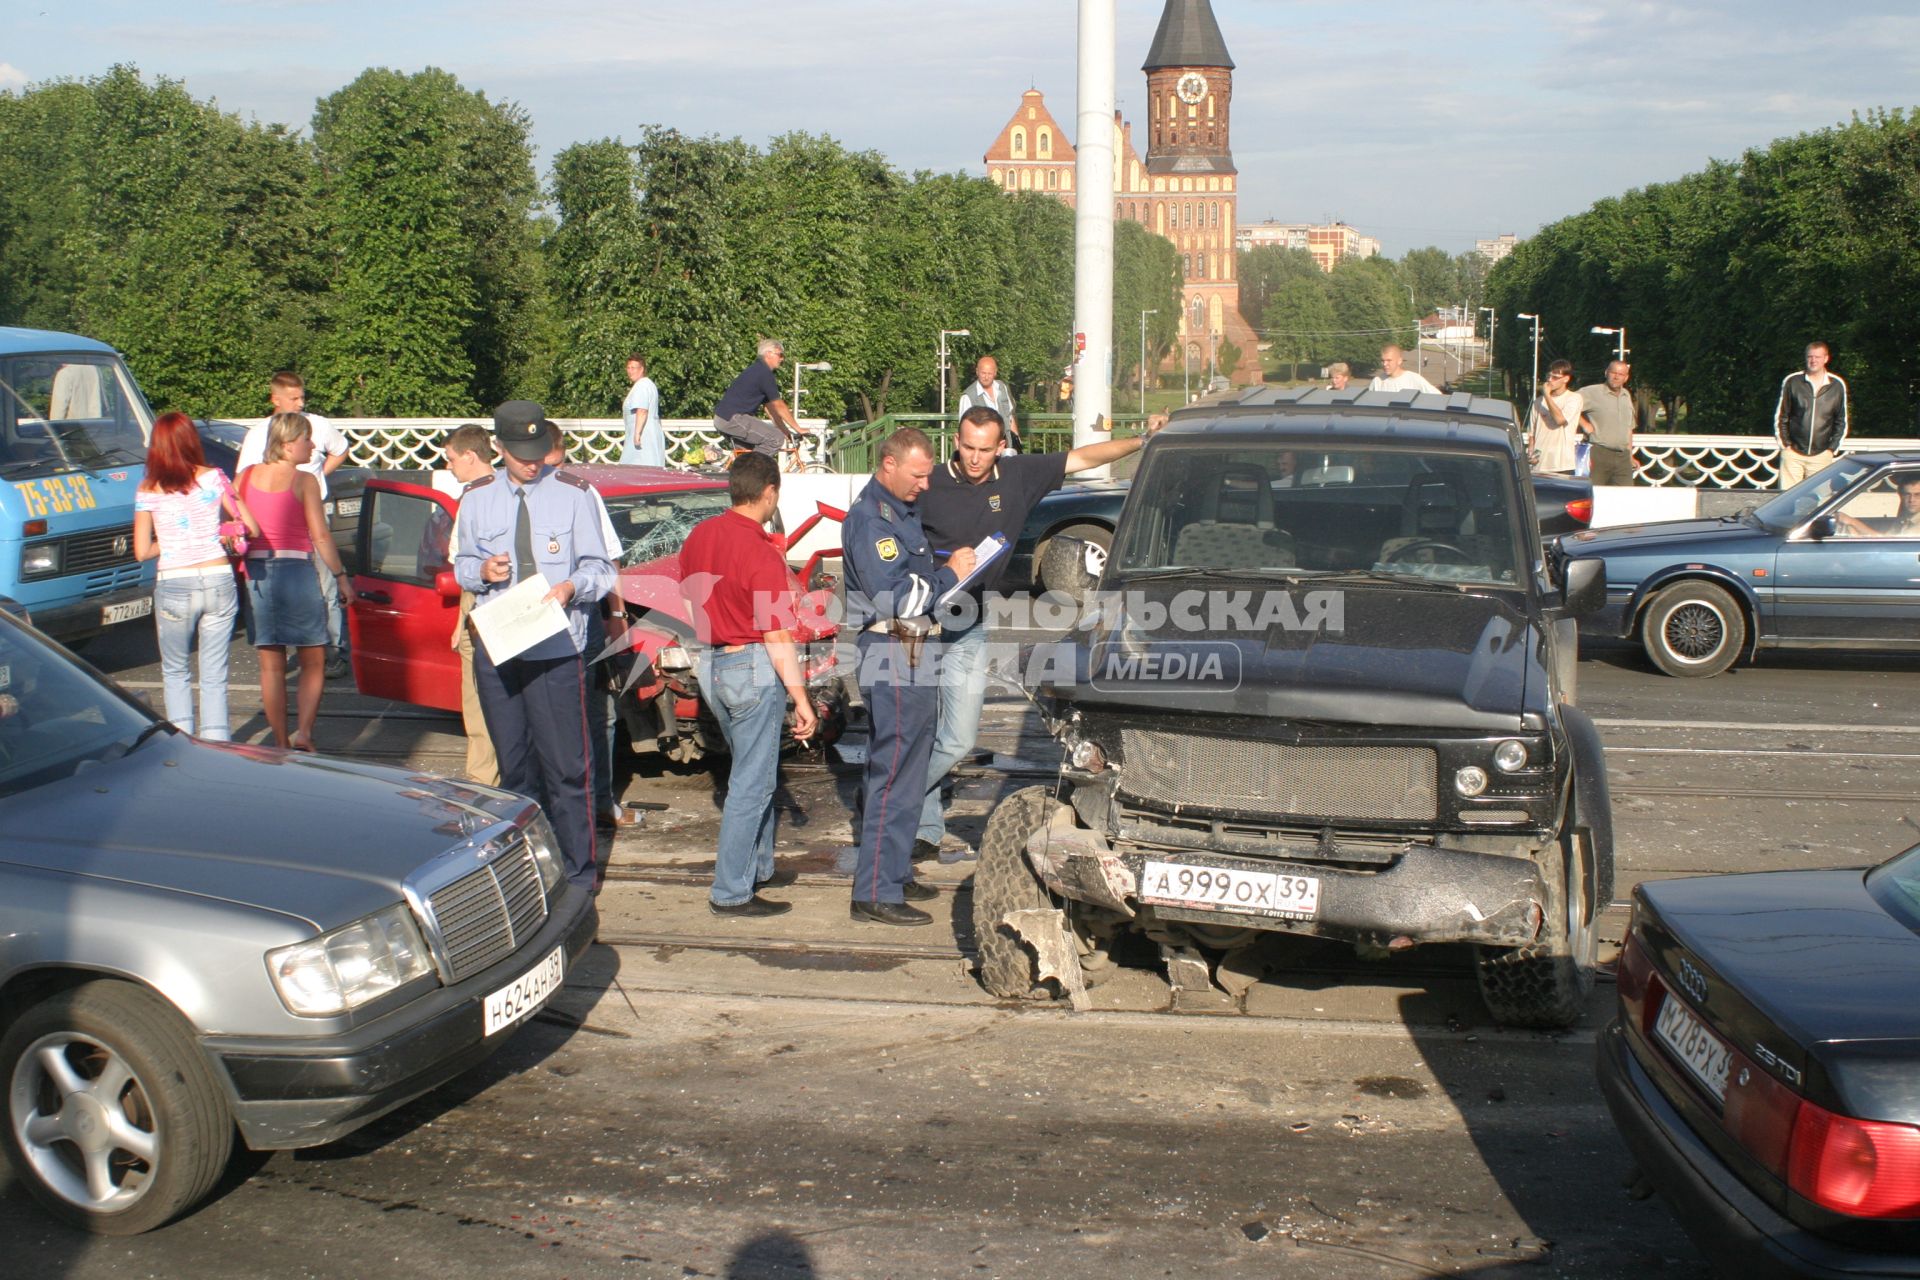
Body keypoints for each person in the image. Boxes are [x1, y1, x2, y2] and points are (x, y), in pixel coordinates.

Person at [914, 405, 1165, 861]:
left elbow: (1082, 458)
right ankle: (922, 827)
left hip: (966, 621)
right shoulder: (928, 483)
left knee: (956, 739)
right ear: (956, 441)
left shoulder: (1017, 475)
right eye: (967, 447)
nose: (974, 458)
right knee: (924, 731)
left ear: (1001, 447)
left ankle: (894, 798)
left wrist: (1140, 441)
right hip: (918, 621)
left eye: (984, 450)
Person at [454, 401, 614, 892]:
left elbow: (602, 570)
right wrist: (481, 572)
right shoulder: (477, 497)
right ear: (498, 448)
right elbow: (460, 563)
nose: (532, 461)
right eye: (521, 452)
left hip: (556, 646)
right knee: (514, 769)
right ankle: (527, 872)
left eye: (538, 450)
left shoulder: (574, 494)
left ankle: (578, 873)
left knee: (566, 767)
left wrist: (570, 587)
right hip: (499, 648)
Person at [840, 428, 977, 926]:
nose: (925, 484)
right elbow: (894, 597)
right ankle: (875, 890)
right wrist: (951, 573)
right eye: (918, 475)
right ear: (888, 464)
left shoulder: (899, 512)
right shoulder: (871, 521)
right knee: (894, 770)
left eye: (928, 474)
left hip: (915, 648)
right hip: (895, 647)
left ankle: (893, 871)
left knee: (913, 767)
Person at [679, 453, 818, 917]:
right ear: (770, 492)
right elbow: (776, 633)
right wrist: (802, 700)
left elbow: (690, 596)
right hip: (752, 665)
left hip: (711, 663)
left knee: (750, 772)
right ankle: (731, 890)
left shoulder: (699, 536)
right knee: (752, 785)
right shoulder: (761, 552)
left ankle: (758, 867)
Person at [132, 412, 259, 741]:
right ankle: (218, 745)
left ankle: (183, 744)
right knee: (215, 672)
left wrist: (172, 542)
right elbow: (252, 527)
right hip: (218, 577)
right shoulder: (216, 478)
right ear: (192, 441)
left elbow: (142, 551)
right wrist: (214, 533)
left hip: (175, 582)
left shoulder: (148, 489)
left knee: (175, 670)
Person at [238, 412, 355, 752]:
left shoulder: (244, 478)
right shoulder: (304, 481)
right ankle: (304, 733)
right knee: (313, 658)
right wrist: (341, 577)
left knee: (271, 666)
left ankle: (278, 740)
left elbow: (232, 520)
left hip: (257, 575)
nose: (313, 445)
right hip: (297, 571)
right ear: (289, 445)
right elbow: (320, 536)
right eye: (307, 439)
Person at [542, 425, 635, 830]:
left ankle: (597, 801)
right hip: (529, 627)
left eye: (558, 464)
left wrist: (616, 615)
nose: (551, 474)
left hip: (582, 622)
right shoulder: (499, 495)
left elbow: (609, 559)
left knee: (598, 716)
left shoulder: (581, 493)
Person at [238, 373, 353, 678]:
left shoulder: (317, 424)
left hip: (311, 507)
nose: (301, 403)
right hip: (274, 521)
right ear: (275, 399)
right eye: (294, 398)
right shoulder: (259, 433)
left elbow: (341, 448)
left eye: (302, 397)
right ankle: (295, 650)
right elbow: (242, 482)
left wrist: (320, 476)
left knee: (324, 586)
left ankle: (332, 651)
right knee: (287, 588)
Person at [438, 424, 501, 785]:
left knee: (478, 707)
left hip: (480, 605)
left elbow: (459, 564)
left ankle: (482, 784)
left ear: (469, 456)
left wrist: (463, 620)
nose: (449, 466)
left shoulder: (475, 497)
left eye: (450, 459)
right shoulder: (510, 490)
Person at [1774, 341, 1849, 489]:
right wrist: (1786, 446)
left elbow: (1841, 420)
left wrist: (1831, 449)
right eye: (1810, 357)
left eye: (1817, 357)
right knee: (1785, 499)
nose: (1813, 360)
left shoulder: (1837, 385)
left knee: (1819, 500)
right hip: (1793, 454)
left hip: (1821, 455)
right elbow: (1782, 416)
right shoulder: (1793, 382)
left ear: (1826, 358)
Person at [713, 339, 801, 458]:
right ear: (768, 354)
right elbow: (779, 405)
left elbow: (771, 410)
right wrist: (798, 428)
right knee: (775, 438)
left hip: (724, 419)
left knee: (746, 455)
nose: (782, 359)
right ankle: (754, 471)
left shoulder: (758, 370)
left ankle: (738, 473)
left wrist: (785, 431)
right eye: (780, 355)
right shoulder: (764, 373)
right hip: (733, 419)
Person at [1578, 360, 1638, 486]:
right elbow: (1567, 406)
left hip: (1623, 457)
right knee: (1595, 495)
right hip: (1599, 453)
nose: (1616, 377)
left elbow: (1629, 428)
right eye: (1613, 372)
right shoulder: (1591, 392)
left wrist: (1630, 456)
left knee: (1626, 497)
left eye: (1621, 374)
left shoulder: (1626, 396)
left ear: (1626, 378)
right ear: (1606, 373)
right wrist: (1584, 423)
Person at [1525, 360, 1583, 474]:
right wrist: (1531, 453)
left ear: (1566, 379)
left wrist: (1547, 395)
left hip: (1562, 464)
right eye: (1549, 376)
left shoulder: (1574, 398)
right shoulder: (1538, 402)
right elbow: (1532, 433)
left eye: (1555, 377)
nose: (1550, 380)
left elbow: (1560, 420)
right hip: (1539, 464)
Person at [957, 355, 1021, 453]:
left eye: (989, 374)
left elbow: (1010, 417)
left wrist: (1017, 440)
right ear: (977, 371)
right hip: (983, 450)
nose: (986, 377)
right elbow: (965, 429)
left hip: (1006, 446)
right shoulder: (968, 397)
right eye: (983, 373)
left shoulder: (1002, 387)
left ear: (995, 373)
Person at [620, 353, 667, 468]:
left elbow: (642, 410)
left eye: (634, 368)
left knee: (640, 468)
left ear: (642, 369)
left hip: (643, 435)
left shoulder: (643, 385)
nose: (630, 371)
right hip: (645, 433)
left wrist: (637, 434)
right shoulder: (646, 384)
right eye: (628, 368)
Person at [1835, 474, 1920, 537]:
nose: (1911, 500)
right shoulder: (1904, 519)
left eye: (1917, 495)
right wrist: (1853, 530)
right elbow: (1886, 538)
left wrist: (1852, 521)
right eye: (1907, 494)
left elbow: (1887, 544)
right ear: (1900, 495)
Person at [1368, 344, 1440, 394]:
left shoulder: (1414, 379)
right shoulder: (1377, 381)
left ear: (1399, 361)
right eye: (1382, 361)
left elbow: (1438, 398)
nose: (1384, 364)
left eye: (1389, 360)